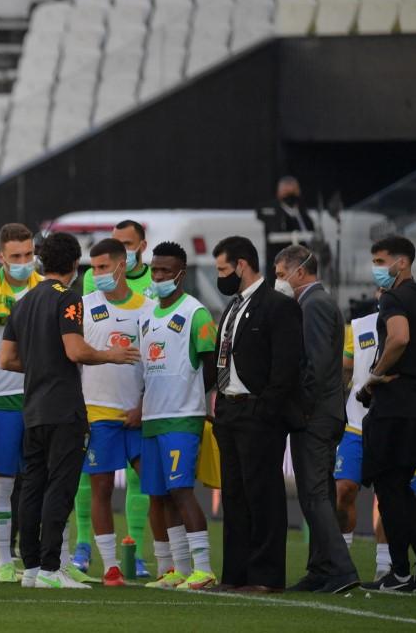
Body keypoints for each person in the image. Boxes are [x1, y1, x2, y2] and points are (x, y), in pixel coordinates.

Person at [0, 232, 138, 589]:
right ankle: (50, 568)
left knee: (32, 487)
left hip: (32, 408)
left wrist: (41, 363)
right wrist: (111, 354)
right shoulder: (68, 299)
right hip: (63, 409)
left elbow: (7, 359)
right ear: (75, 266)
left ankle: (30, 568)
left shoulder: (23, 301)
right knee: (60, 487)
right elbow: (76, 351)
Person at [212, 235, 302, 593]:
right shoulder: (233, 307)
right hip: (229, 412)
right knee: (234, 496)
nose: (221, 276)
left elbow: (286, 368)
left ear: (242, 265)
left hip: (257, 413)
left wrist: (265, 410)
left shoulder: (278, 306)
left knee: (262, 494)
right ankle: (235, 574)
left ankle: (265, 577)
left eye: (223, 269)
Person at [273, 245, 360, 593]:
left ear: (300, 271)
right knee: (317, 491)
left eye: (281, 274)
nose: (278, 281)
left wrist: (303, 407)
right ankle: (321, 568)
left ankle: (341, 569)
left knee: (314, 494)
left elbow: (319, 364)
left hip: (316, 415)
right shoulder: (310, 304)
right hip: (319, 412)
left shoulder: (315, 304)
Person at [138, 242, 219, 591]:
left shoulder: (195, 313)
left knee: (182, 491)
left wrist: (194, 396)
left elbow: (213, 365)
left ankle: (204, 569)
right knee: (161, 495)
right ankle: (178, 569)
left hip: (182, 418)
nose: (157, 277)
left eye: (165, 272)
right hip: (153, 417)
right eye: (154, 270)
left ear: (181, 275)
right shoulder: (146, 315)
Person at [78, 238, 159, 587]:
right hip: (98, 413)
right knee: (102, 488)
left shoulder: (148, 309)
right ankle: (111, 566)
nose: (96, 275)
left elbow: (157, 365)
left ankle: (168, 562)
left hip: (138, 413)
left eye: (102, 268)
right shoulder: (82, 307)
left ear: (122, 265)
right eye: (93, 269)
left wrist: (143, 405)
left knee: (156, 487)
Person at [359, 236, 416, 592]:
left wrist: (374, 376)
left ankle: (407, 569)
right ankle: (410, 570)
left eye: (381, 260)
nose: (377, 268)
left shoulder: (395, 299)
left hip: (394, 406)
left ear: (402, 263)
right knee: (398, 487)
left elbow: (398, 338)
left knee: (390, 488)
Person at [0, 223, 41, 583]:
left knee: (41, 480)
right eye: (16, 256)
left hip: (39, 397)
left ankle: (51, 559)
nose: (23, 262)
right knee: (1, 482)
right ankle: (4, 561)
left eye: (29, 255)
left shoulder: (46, 290)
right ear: (1, 257)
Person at [335, 298, 398, 580]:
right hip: (356, 424)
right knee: (344, 490)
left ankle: (385, 566)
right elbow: (345, 367)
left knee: (391, 497)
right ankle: (343, 562)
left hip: (395, 426)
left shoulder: (413, 329)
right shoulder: (357, 327)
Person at [257, 176, 316, 280]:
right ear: (279, 193)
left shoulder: (302, 213)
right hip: (278, 272)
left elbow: (310, 235)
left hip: (300, 271)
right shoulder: (272, 210)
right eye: (286, 192)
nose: (290, 196)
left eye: (293, 191)